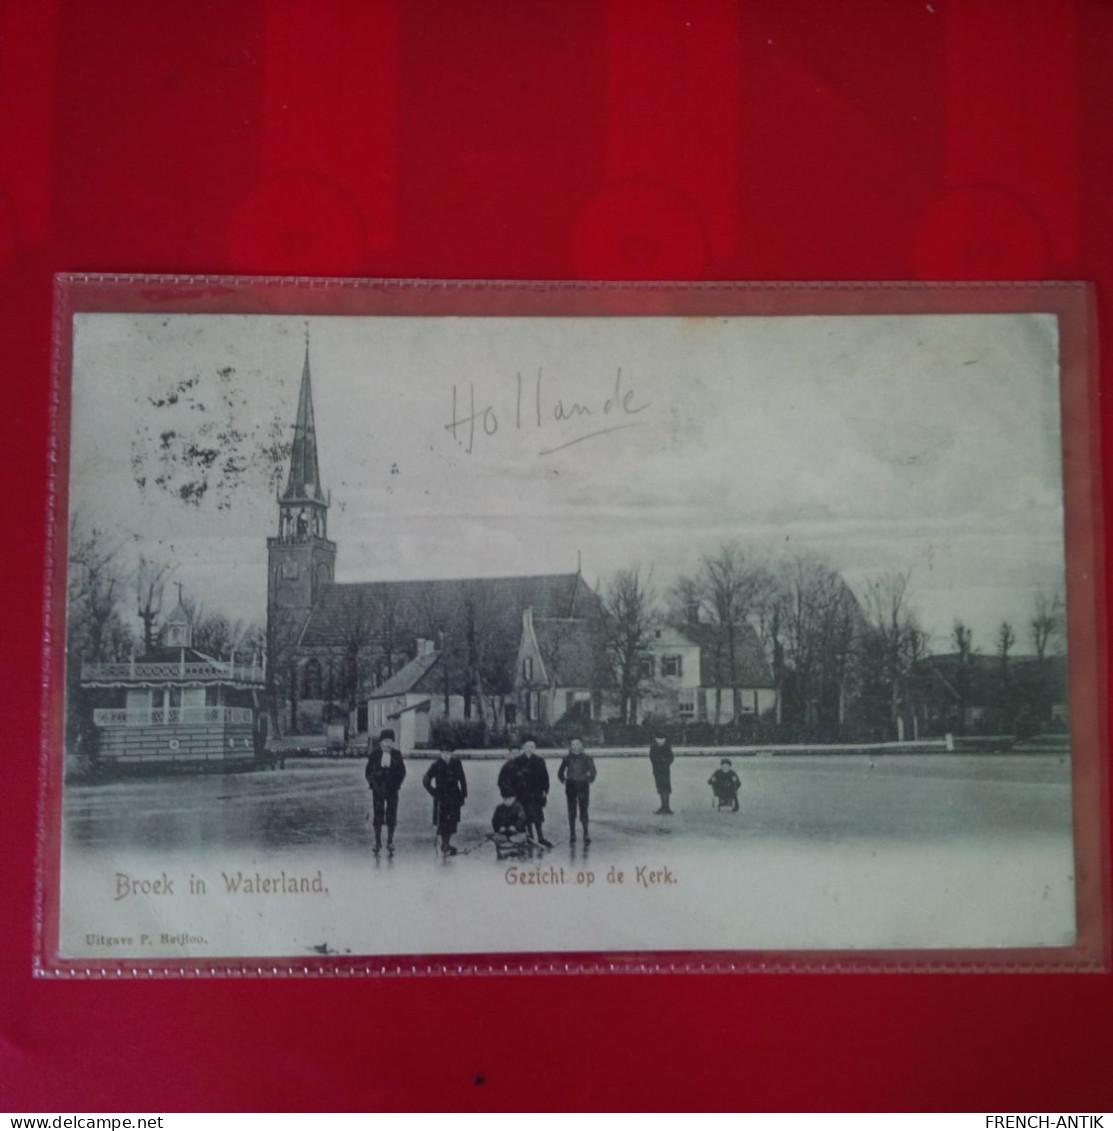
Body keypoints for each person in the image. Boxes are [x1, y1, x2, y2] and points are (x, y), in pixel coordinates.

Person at [365, 727, 406, 856]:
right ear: (381, 742)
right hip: (378, 789)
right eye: (385, 741)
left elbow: (402, 772)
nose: (387, 744)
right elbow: (368, 772)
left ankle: (390, 841)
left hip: (392, 789)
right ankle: (377, 842)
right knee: (378, 814)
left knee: (391, 814)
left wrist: (397, 784)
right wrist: (373, 784)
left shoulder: (397, 754)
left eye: (390, 741)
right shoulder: (375, 754)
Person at [422, 744, 468, 856]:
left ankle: (447, 843)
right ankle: (445, 844)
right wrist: (435, 793)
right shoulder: (436, 765)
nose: (447, 755)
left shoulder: (457, 763)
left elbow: (462, 779)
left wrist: (463, 795)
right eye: (445, 753)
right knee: (443, 822)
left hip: (454, 796)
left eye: (449, 753)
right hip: (442, 798)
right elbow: (425, 781)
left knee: (453, 821)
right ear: (441, 753)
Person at [514, 735, 552, 848]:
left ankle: (540, 837)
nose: (529, 749)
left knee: (538, 816)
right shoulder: (518, 761)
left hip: (536, 793)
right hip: (523, 793)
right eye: (527, 746)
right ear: (523, 747)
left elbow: (545, 777)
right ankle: (529, 837)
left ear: (534, 748)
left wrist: (545, 790)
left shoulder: (540, 761)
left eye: (532, 746)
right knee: (526, 816)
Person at [557, 738, 597, 845]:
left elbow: (593, 771)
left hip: (583, 786)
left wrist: (589, 780)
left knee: (584, 810)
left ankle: (586, 833)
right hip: (571, 786)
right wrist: (564, 780)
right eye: (573, 745)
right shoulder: (566, 758)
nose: (575, 747)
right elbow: (560, 772)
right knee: (571, 810)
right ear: (570, 746)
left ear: (581, 746)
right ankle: (572, 834)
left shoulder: (587, 758)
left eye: (577, 744)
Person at [649, 731, 674, 814]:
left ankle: (664, 806)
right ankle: (666, 806)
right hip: (666, 770)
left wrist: (658, 762)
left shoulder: (653, 746)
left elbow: (652, 757)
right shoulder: (667, 745)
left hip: (657, 770)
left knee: (661, 788)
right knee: (666, 788)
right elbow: (671, 757)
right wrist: (666, 763)